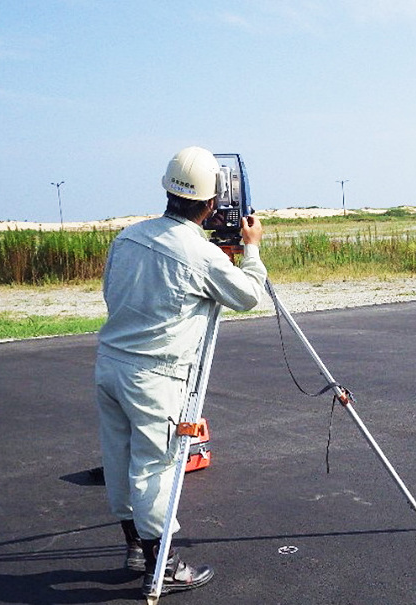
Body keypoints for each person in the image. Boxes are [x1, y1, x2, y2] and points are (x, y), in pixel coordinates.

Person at [95, 146, 267, 596]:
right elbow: (249, 296)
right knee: (156, 466)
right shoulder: (200, 253)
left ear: (169, 190)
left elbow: (110, 291)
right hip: (155, 378)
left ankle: (136, 546)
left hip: (111, 364)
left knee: (120, 458)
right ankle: (164, 566)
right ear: (211, 204)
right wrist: (250, 251)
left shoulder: (128, 237)